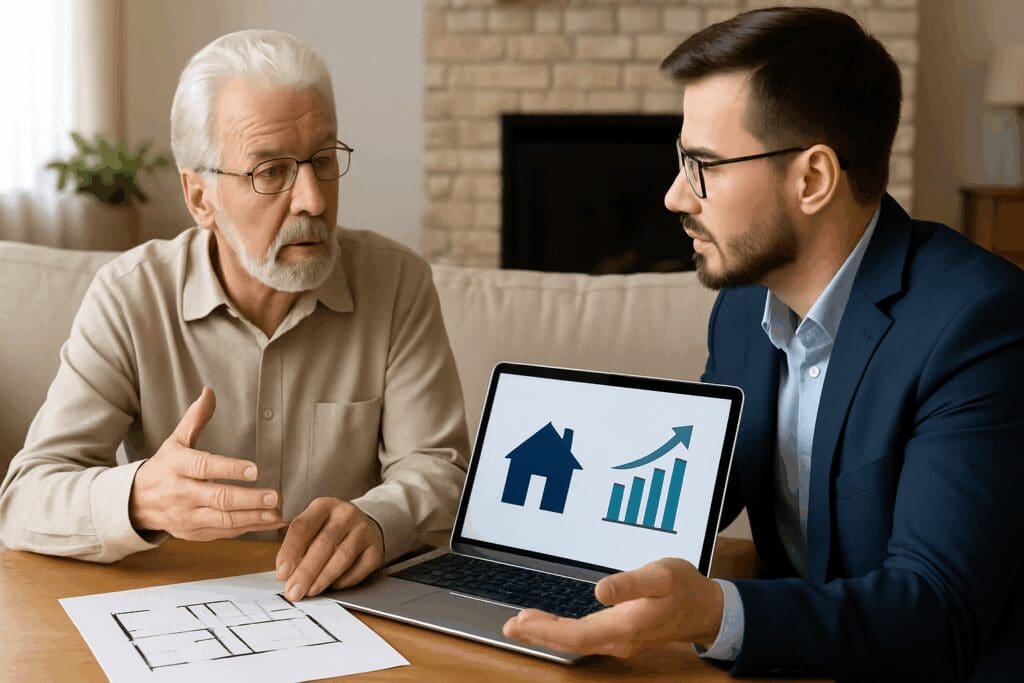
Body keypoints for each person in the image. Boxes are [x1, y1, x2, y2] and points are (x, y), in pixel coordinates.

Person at [503, 7, 1024, 680]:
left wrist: (715, 612)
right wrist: (528, 534)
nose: (671, 197)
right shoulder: (743, 308)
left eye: (704, 167)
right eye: (679, 160)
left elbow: (936, 610)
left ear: (812, 179)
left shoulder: (978, 326)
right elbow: (692, 490)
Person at [0, 30, 469, 604]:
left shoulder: (397, 283)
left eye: (323, 161)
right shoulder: (131, 298)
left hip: (345, 608)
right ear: (200, 198)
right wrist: (140, 497)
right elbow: (25, 498)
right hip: (179, 609)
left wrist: (377, 520)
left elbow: (439, 471)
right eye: (270, 171)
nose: (313, 200)